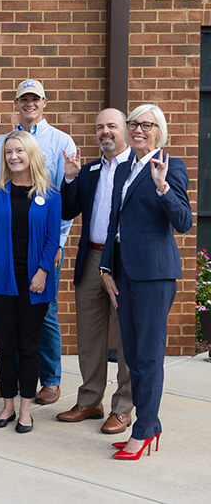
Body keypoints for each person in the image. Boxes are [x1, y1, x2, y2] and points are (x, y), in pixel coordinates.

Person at [0, 79, 76, 405]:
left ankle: (51, 380)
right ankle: (14, 379)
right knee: (10, 317)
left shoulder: (61, 140)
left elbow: (61, 196)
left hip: (44, 247)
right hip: (7, 245)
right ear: (16, 104)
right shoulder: (4, 140)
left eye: (35, 98)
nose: (29, 104)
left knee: (44, 315)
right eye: (23, 99)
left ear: (44, 102)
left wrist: (56, 246)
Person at [99, 104, 191, 459]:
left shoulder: (170, 165)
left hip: (154, 275)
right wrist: (106, 268)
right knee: (134, 356)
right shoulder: (124, 168)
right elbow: (114, 223)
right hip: (123, 273)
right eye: (134, 123)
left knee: (149, 356)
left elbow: (183, 222)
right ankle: (149, 426)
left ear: (158, 130)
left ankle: (143, 430)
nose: (138, 129)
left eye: (146, 125)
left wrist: (163, 186)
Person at [0, 130, 61, 433]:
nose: (13, 157)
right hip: (0, 280)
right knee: (5, 347)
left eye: (19, 151)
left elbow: (52, 238)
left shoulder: (50, 194)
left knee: (29, 345)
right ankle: (7, 405)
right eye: (8, 152)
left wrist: (43, 270)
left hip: (34, 281)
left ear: (31, 153)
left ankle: (26, 409)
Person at [57, 108, 133, 433]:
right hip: (91, 258)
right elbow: (67, 209)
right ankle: (90, 400)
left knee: (127, 335)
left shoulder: (138, 169)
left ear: (125, 130)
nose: (105, 132)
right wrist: (71, 177)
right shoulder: (87, 170)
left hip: (124, 262)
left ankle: (123, 407)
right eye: (100, 127)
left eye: (111, 126)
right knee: (89, 334)